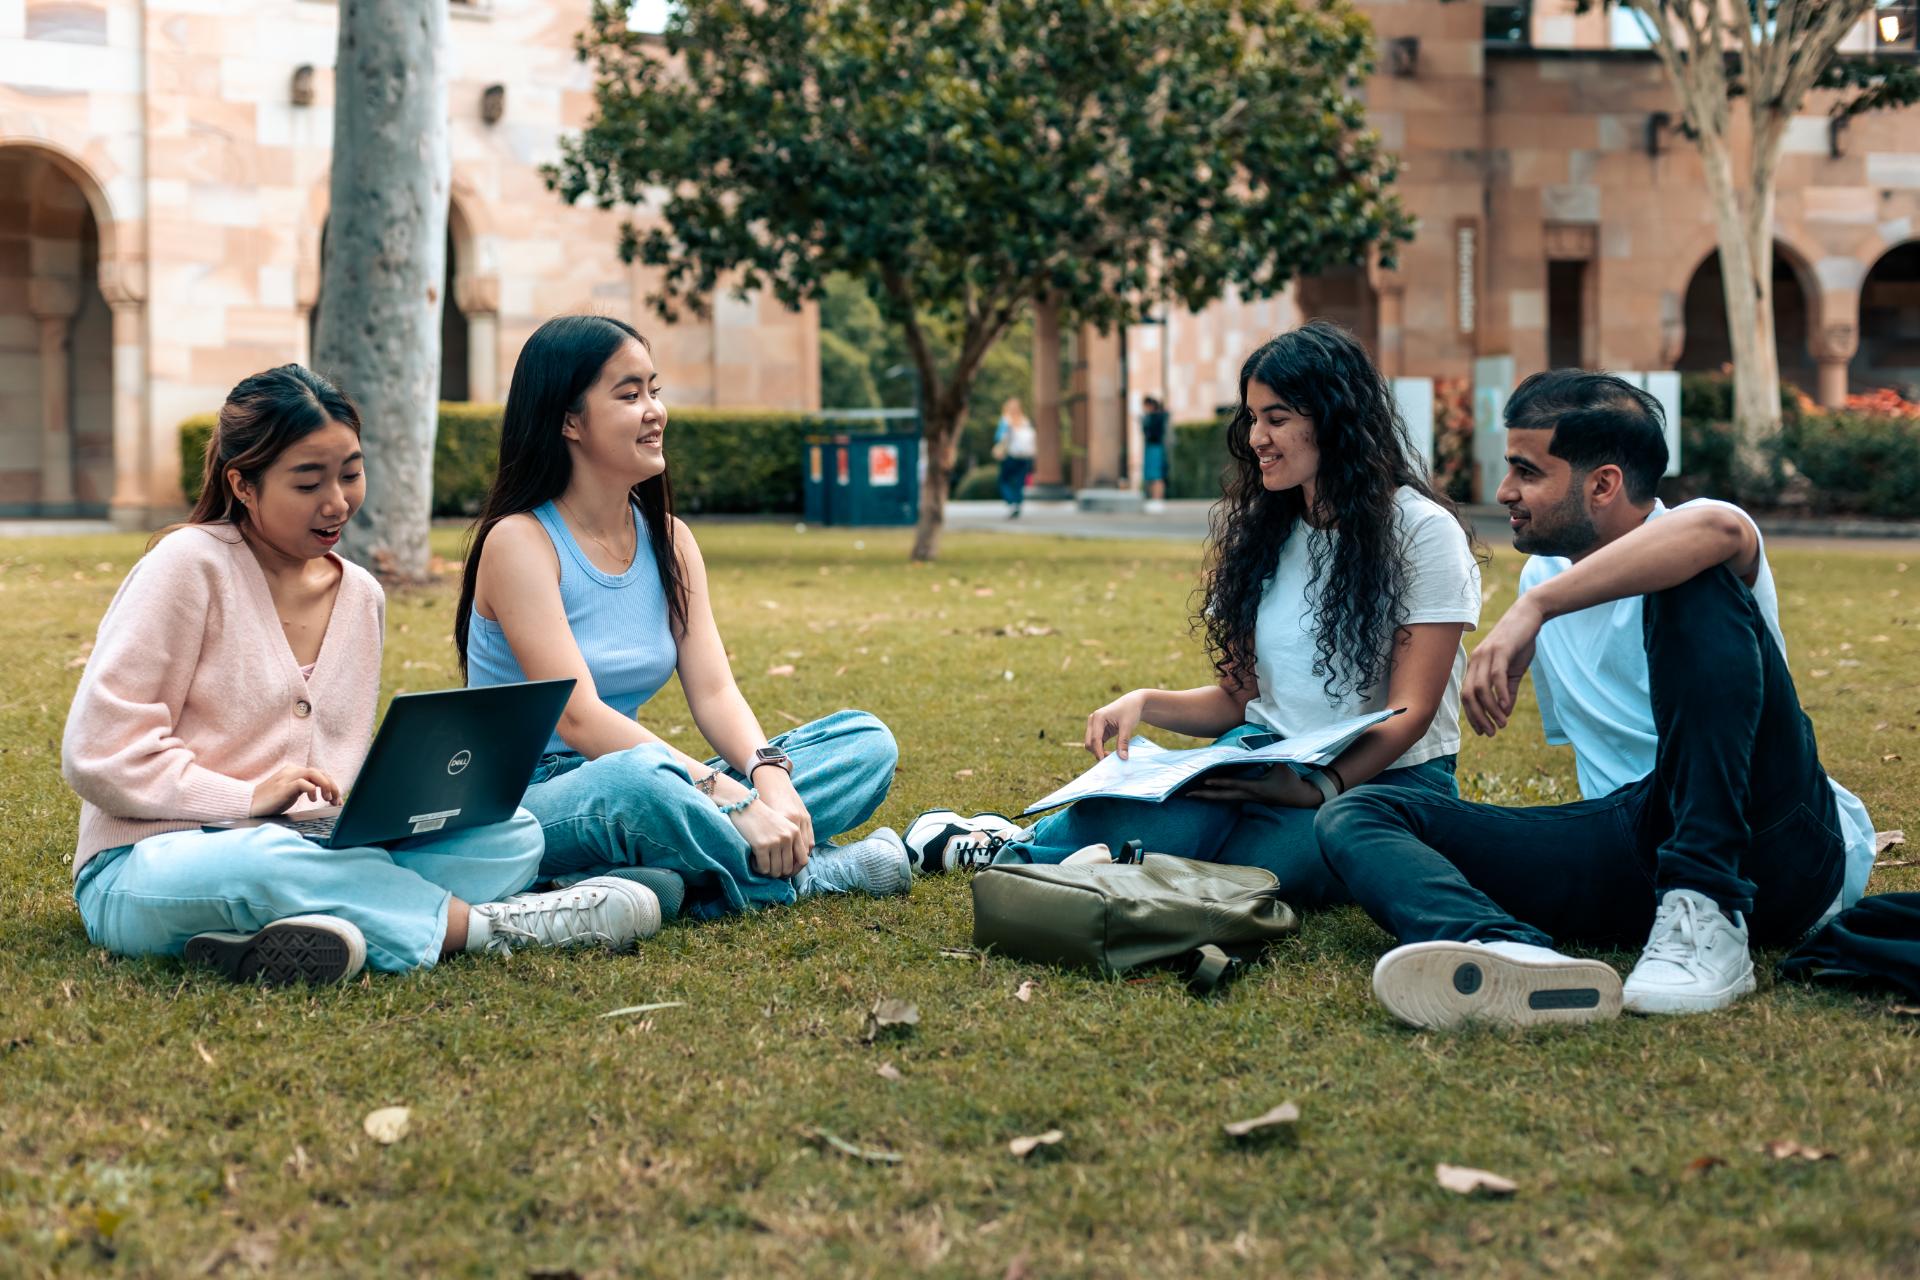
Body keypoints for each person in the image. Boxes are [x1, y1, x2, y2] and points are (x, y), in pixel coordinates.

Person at [1316, 370, 1878, 1029]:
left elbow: (1720, 529)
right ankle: (1505, 951)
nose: (1504, 493)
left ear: (1603, 484)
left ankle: (1707, 904)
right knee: (1361, 814)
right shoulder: (1543, 570)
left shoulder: (1692, 541)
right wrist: (1542, 596)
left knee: (1691, 579)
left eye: (1527, 472)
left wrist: (1536, 609)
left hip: (1776, 837)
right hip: (1635, 845)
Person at [62, 366, 656, 986]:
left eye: (350, 473)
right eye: (307, 482)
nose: (337, 502)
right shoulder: (188, 566)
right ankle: (492, 929)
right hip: (148, 864)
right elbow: (99, 754)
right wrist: (243, 799)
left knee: (510, 837)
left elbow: (332, 768)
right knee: (266, 861)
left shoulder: (361, 596)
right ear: (242, 483)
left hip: (319, 847)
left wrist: (395, 807)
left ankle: (277, 935)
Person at [906, 322, 1482, 909]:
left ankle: (1066, 863)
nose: (1257, 436)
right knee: (1169, 818)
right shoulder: (1268, 531)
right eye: (1252, 418)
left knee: (1279, 869)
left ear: (1335, 419)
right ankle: (1012, 851)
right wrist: (1144, 702)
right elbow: (1239, 700)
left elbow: (1411, 711)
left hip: (1386, 779)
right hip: (1266, 752)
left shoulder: (1419, 531)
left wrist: (1318, 788)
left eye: (1277, 419)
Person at [457, 315, 908, 920]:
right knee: (638, 785)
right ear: (569, 420)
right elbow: (583, 720)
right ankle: (811, 875)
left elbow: (716, 691)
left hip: (660, 784)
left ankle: (656, 878)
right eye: (628, 394)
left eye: (654, 389)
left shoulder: (671, 541)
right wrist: (726, 796)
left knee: (863, 743)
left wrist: (766, 776)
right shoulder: (520, 542)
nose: (654, 410)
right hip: (538, 798)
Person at [993, 397, 1038, 518]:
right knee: (1019, 482)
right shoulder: (1025, 421)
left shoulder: (1006, 420)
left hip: (1011, 456)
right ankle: (1017, 503)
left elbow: (998, 438)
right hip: (1025, 457)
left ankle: (1011, 502)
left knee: (1004, 480)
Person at [1141, 395, 1170, 510]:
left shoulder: (1157, 417)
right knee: (1152, 476)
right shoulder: (1153, 416)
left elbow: (1153, 433)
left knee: (1157, 475)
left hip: (1156, 447)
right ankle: (1154, 499)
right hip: (1151, 447)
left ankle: (1157, 500)